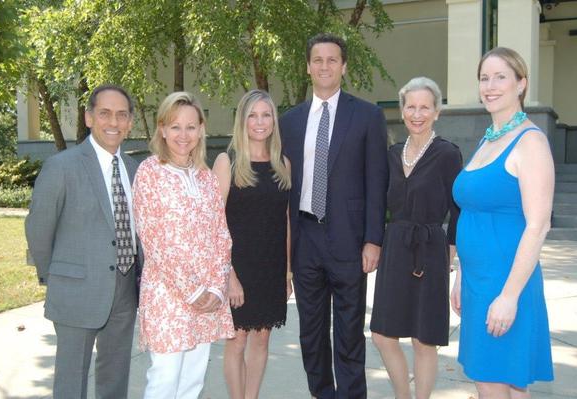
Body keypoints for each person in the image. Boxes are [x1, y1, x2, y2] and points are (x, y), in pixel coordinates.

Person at [279, 33, 389, 399]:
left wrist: (374, 238)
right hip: (306, 236)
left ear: (343, 66)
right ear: (308, 67)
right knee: (310, 332)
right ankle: (322, 394)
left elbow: (378, 180)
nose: (324, 66)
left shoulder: (368, 116)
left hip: (349, 239)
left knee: (349, 330)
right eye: (317, 60)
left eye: (332, 60)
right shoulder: (290, 121)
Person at [452, 47, 555, 398]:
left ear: (521, 84)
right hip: (477, 282)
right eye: (484, 78)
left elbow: (538, 225)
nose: (490, 86)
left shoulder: (531, 143)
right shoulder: (489, 139)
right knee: (497, 381)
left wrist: (509, 296)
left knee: (494, 382)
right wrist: (460, 275)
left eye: (500, 77)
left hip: (507, 282)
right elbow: (472, 213)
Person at [25, 84, 140, 399]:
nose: (113, 122)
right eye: (104, 113)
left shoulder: (136, 170)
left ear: (130, 122)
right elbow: (38, 228)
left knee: (115, 377)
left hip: (126, 290)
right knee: (70, 382)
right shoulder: (62, 166)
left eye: (121, 115)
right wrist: (57, 277)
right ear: (89, 117)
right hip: (76, 291)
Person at [132, 91, 234, 399]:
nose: (183, 135)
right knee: (165, 379)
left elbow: (221, 234)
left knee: (192, 381)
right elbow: (155, 242)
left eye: (191, 126)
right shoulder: (150, 173)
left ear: (201, 129)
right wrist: (192, 290)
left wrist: (217, 287)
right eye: (175, 126)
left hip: (207, 298)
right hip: (169, 295)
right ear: (162, 129)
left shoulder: (205, 177)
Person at [370, 77, 462, 399]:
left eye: (425, 107)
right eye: (411, 106)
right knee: (382, 335)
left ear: (436, 111)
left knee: (424, 339)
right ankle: (402, 395)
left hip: (430, 249)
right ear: (402, 110)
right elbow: (378, 203)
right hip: (395, 246)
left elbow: (459, 211)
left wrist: (450, 255)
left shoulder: (448, 154)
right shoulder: (392, 154)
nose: (417, 113)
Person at [213, 89, 292, 399]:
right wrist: (228, 275)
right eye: (253, 115)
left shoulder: (282, 162)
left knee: (262, 340)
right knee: (237, 340)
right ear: (242, 120)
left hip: (271, 267)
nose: (260, 122)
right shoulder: (227, 161)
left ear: (273, 120)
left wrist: (287, 271)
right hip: (238, 266)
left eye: (266, 114)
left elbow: (285, 220)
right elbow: (215, 225)